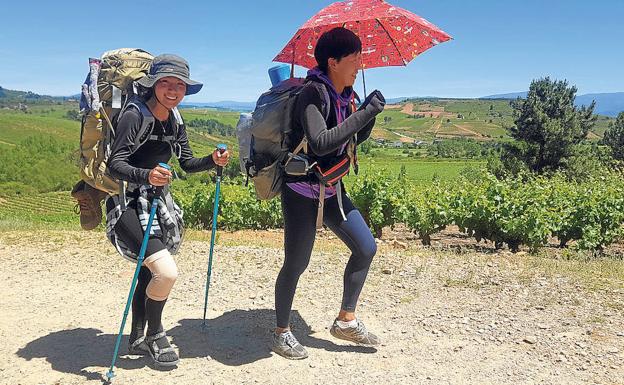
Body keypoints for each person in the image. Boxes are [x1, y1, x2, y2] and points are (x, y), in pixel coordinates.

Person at [105, 54, 230, 366]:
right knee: (166, 271)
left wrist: (211, 161)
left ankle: (136, 337)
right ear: (153, 84)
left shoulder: (176, 118)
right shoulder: (135, 114)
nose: (173, 90)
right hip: (127, 204)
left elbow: (186, 163)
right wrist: (145, 175)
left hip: (156, 202)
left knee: (150, 273)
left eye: (180, 85)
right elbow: (115, 163)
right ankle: (155, 334)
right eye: (166, 83)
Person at [271, 27, 386, 359]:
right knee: (296, 262)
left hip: (332, 188)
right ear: (333, 61)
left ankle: (346, 320)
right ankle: (281, 332)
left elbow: (351, 140)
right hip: (301, 190)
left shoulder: (344, 94)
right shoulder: (313, 93)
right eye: (354, 59)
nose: (359, 65)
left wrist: (367, 114)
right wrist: (365, 112)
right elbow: (321, 143)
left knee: (365, 247)